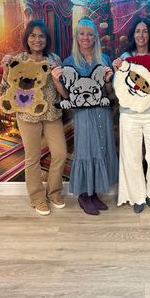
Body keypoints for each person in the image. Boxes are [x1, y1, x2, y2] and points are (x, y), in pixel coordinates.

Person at [1, 20, 67, 216]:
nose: (37, 40)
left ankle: (54, 192)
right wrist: (6, 69)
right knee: (33, 158)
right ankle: (37, 197)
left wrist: (56, 80)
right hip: (27, 115)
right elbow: (6, 89)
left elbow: (64, 93)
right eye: (33, 35)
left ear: (46, 39)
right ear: (27, 38)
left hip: (52, 114)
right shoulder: (18, 59)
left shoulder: (54, 59)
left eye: (41, 36)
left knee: (60, 154)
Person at [63, 16, 118, 216]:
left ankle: (94, 193)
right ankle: (83, 195)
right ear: (77, 38)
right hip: (84, 114)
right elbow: (66, 95)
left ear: (95, 37)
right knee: (86, 151)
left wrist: (109, 80)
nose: (85, 38)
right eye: (82, 34)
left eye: (89, 34)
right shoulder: (69, 62)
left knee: (100, 150)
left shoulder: (104, 60)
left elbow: (110, 92)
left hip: (102, 112)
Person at [113, 17, 150, 213]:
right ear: (132, 34)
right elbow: (117, 87)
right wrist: (116, 68)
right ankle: (137, 197)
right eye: (137, 31)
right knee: (131, 157)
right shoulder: (125, 58)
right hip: (130, 114)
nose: (141, 35)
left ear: (149, 34)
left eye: (144, 31)